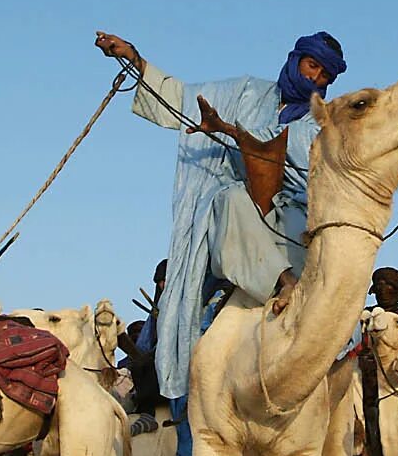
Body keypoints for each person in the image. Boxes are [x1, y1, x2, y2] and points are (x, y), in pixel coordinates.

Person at [93, 29, 347, 407]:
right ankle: (175, 411)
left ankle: (288, 286)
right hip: (228, 224)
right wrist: (135, 60)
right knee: (184, 309)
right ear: (296, 59)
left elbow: (278, 149)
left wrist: (228, 131)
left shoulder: (323, 123)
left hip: (289, 219)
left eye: (326, 75)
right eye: (313, 67)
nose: (316, 79)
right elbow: (183, 100)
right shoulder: (243, 94)